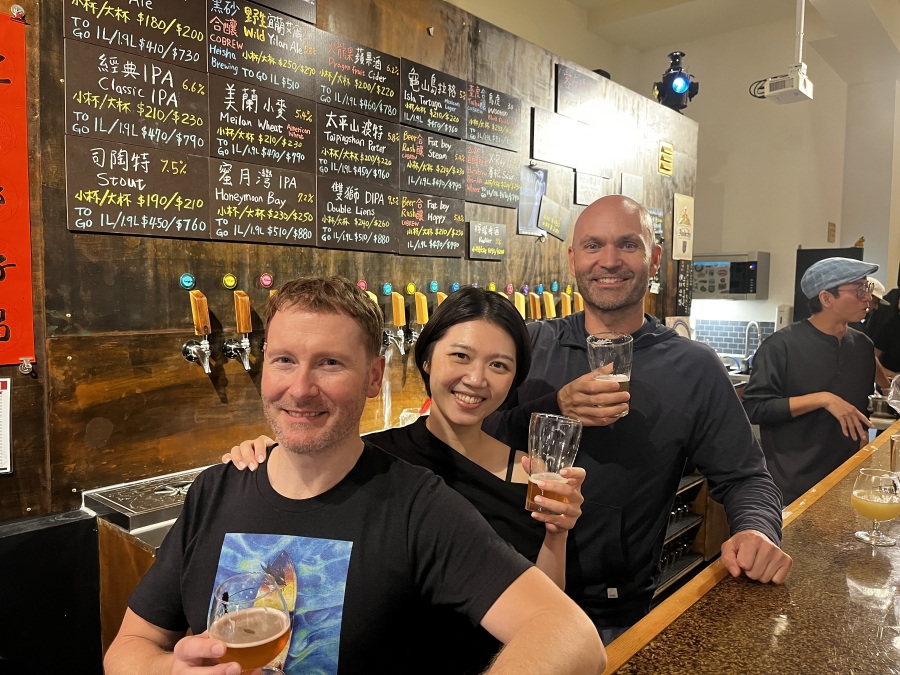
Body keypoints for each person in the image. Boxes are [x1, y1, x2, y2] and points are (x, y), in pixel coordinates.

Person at [104, 277, 605, 675]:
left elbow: (569, 633)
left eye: (329, 364)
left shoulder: (418, 505)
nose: (300, 389)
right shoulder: (216, 489)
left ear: (373, 377)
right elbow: (129, 647)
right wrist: (171, 669)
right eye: (284, 360)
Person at [481, 195, 792, 642]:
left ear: (654, 259)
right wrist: (555, 407)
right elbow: (464, 440)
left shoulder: (694, 367)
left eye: (628, 245)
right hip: (499, 592)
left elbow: (747, 478)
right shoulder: (528, 346)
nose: (609, 261)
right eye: (593, 246)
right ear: (573, 259)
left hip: (612, 613)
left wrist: (758, 530)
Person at [743, 258, 883, 505]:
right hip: (792, 486)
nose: (867, 298)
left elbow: (861, 409)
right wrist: (823, 399)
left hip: (846, 480)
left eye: (867, 289)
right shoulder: (780, 346)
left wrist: (864, 438)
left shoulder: (862, 346)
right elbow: (755, 408)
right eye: (858, 290)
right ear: (826, 298)